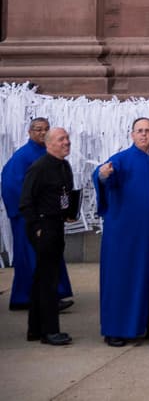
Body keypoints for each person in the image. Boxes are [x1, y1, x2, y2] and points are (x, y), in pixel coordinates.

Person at [93, 117, 149, 346]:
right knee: (122, 279)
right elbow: (102, 176)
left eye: (148, 131)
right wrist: (102, 175)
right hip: (124, 236)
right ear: (132, 134)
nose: (143, 134)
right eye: (139, 131)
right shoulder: (121, 159)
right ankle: (115, 329)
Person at [2, 117, 72, 312]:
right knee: (34, 259)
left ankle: (30, 297)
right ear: (30, 132)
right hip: (30, 218)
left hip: (47, 217)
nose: (42, 133)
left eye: (46, 129)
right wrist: (27, 214)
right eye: (38, 129)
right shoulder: (23, 156)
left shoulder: (48, 154)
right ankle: (42, 298)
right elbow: (11, 185)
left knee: (44, 257)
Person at [17, 126, 75, 345]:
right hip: (44, 227)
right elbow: (25, 202)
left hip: (57, 225)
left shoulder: (64, 166)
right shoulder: (39, 168)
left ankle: (35, 329)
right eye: (61, 139)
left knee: (43, 279)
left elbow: (63, 195)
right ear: (49, 144)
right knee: (48, 281)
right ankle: (49, 331)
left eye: (67, 138)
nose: (66, 142)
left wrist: (69, 211)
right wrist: (37, 228)